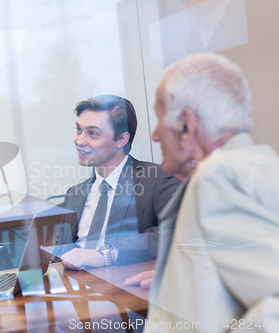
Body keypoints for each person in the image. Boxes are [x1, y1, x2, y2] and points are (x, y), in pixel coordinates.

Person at [126, 53, 279, 331]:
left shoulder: (217, 177)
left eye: (159, 117)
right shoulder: (262, 164)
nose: (155, 134)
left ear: (185, 125)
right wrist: (178, 274)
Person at [54, 94, 179, 269]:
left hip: (125, 287)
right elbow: (58, 255)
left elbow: (172, 233)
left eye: (93, 133)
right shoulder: (74, 194)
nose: (79, 140)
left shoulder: (158, 179)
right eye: (79, 130)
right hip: (78, 290)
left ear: (121, 139)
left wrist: (107, 254)